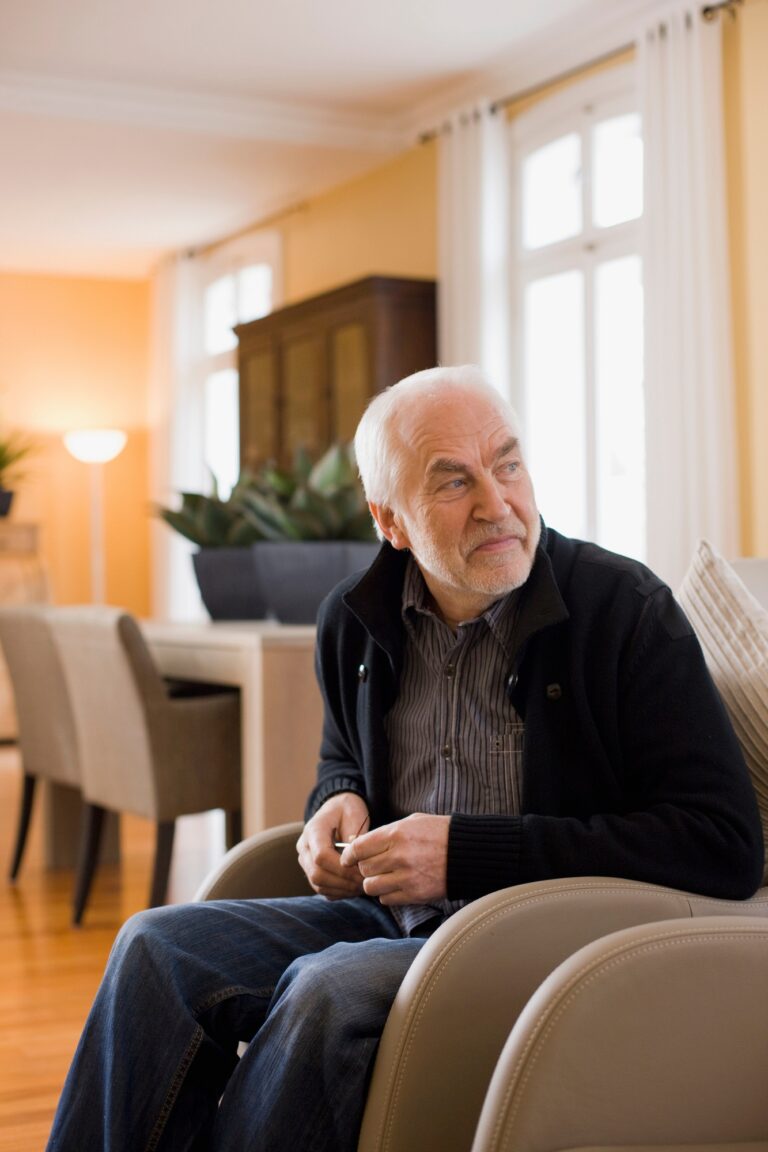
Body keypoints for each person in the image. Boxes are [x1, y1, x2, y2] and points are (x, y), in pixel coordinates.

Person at [46, 364, 763, 1152]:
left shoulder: (624, 611)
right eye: (453, 482)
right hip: (382, 917)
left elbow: (723, 844)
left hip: (537, 934)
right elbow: (341, 758)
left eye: (509, 463)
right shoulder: (352, 619)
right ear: (391, 521)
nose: (499, 505)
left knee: (323, 990)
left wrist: (463, 854)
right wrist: (336, 801)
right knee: (153, 946)